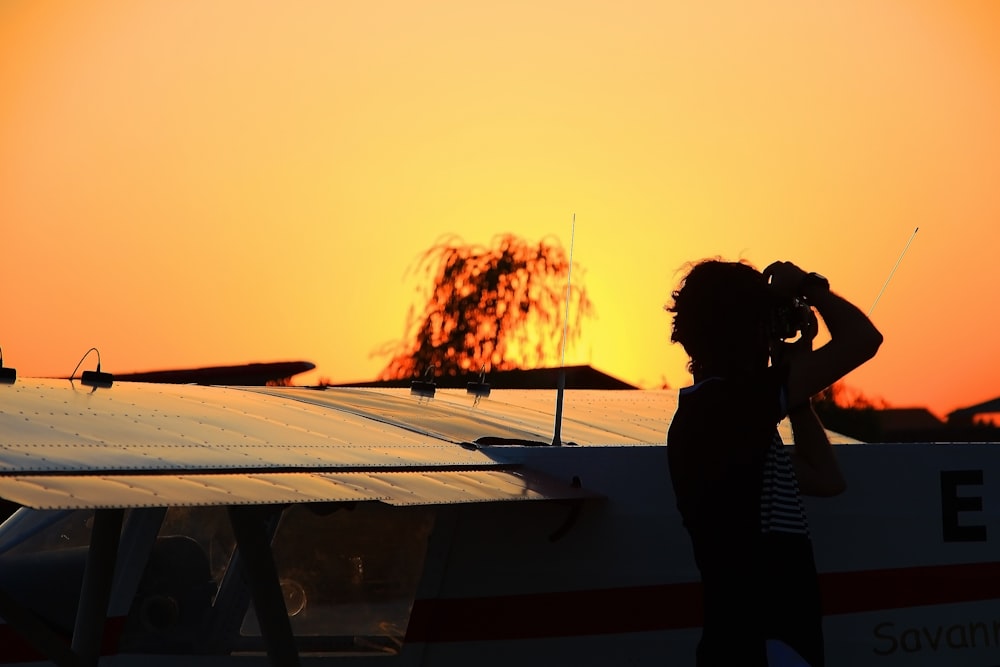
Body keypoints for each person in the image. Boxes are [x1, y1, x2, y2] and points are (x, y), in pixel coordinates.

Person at [665, 259, 883, 667]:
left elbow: (825, 477)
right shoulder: (728, 406)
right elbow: (863, 339)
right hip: (761, 646)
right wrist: (809, 286)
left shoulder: (716, 417)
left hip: (756, 644)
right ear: (748, 330)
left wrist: (793, 386)